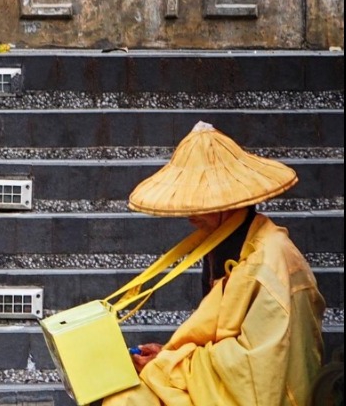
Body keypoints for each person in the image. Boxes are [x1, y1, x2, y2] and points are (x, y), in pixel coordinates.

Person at [103, 121, 326, 406]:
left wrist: (171, 366)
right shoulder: (228, 242)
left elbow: (254, 372)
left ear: (230, 203)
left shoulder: (271, 260)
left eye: (200, 204)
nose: (190, 215)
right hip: (222, 384)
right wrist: (166, 357)